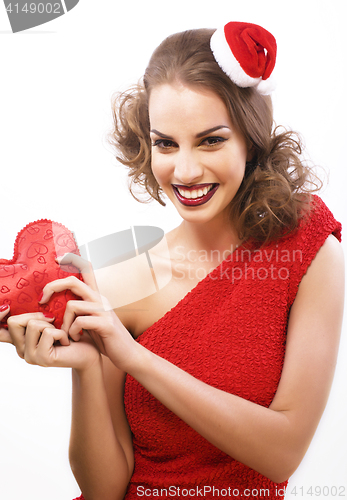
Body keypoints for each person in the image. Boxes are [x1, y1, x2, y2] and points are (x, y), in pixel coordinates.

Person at [0, 22, 344, 500]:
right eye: (166, 144)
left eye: (211, 140)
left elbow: (281, 453)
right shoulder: (121, 278)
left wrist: (133, 356)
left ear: (251, 137)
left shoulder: (306, 247)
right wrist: (85, 367)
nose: (184, 171)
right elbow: (104, 490)